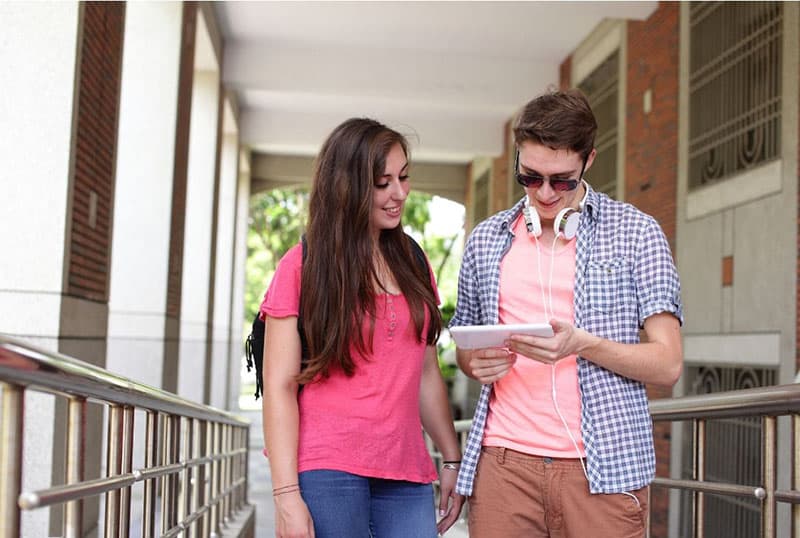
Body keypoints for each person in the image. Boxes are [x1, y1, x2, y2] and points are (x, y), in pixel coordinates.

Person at [451, 89, 683, 537]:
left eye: (561, 180)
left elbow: (668, 364)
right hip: (504, 465)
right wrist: (474, 361)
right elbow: (466, 345)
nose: (544, 193)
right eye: (530, 177)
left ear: (589, 160)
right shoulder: (485, 241)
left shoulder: (637, 234)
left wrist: (582, 344)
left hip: (606, 469)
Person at [260, 117, 464, 538]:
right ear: (347, 185)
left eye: (403, 178)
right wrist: (285, 495)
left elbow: (426, 371)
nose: (399, 193)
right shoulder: (301, 265)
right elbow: (279, 385)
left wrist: (451, 459)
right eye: (382, 182)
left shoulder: (413, 261)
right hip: (327, 466)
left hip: (405, 468)